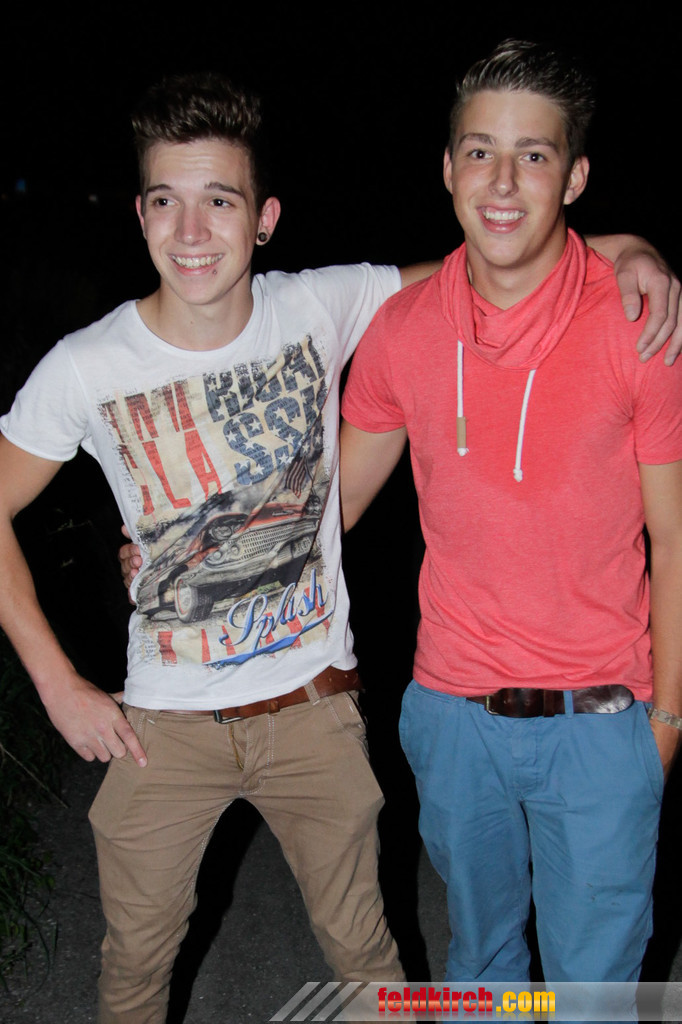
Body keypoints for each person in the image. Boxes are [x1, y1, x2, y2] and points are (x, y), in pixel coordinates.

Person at [0, 70, 679, 1023]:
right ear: (139, 213)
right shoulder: (88, 365)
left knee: (392, 966)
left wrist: (630, 248)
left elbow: (501, 253)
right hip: (180, 721)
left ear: (264, 218)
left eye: (220, 200)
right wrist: (61, 679)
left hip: (327, 707)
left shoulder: (325, 304)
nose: (192, 231)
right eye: (165, 201)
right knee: (137, 967)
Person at [340, 39, 682, 993]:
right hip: (453, 717)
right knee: (479, 969)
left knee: (592, 992)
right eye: (480, 151)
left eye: (533, 154)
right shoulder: (401, 331)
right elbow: (333, 506)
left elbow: (675, 540)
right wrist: (189, 551)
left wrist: (667, 722)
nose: (502, 181)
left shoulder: (638, 326)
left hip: (603, 721)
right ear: (448, 168)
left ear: (574, 178)